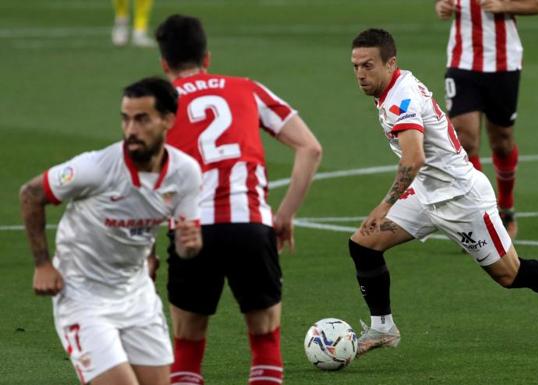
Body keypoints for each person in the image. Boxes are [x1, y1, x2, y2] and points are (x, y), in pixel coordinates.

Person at [348, 28, 538, 357]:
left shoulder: (401, 97)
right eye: (355, 66)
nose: (360, 74)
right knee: (363, 245)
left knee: (510, 275)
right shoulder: (393, 87)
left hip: (462, 200)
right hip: (426, 195)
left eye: (368, 65)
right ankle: (383, 328)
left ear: (390, 63)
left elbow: (414, 158)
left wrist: (384, 206)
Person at [154, 14, 323, 385]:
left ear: (165, 63)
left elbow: (147, 180)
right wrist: (283, 216)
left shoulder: (159, 107)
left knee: (186, 348)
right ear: (208, 57)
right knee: (264, 341)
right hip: (250, 225)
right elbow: (310, 148)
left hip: (191, 232)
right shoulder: (247, 88)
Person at [20, 77, 203, 385]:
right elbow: (31, 194)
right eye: (126, 118)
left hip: (137, 296)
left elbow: (182, 245)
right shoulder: (97, 168)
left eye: (142, 119)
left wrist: (191, 245)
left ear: (168, 120)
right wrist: (42, 264)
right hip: (83, 296)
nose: (131, 130)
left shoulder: (185, 173)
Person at [435, 0, 538, 238]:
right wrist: (442, 7)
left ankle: (506, 207)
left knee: (502, 141)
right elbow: (444, 4)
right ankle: (478, 215)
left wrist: (504, 4)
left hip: (504, 64)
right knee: (464, 140)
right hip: (461, 62)